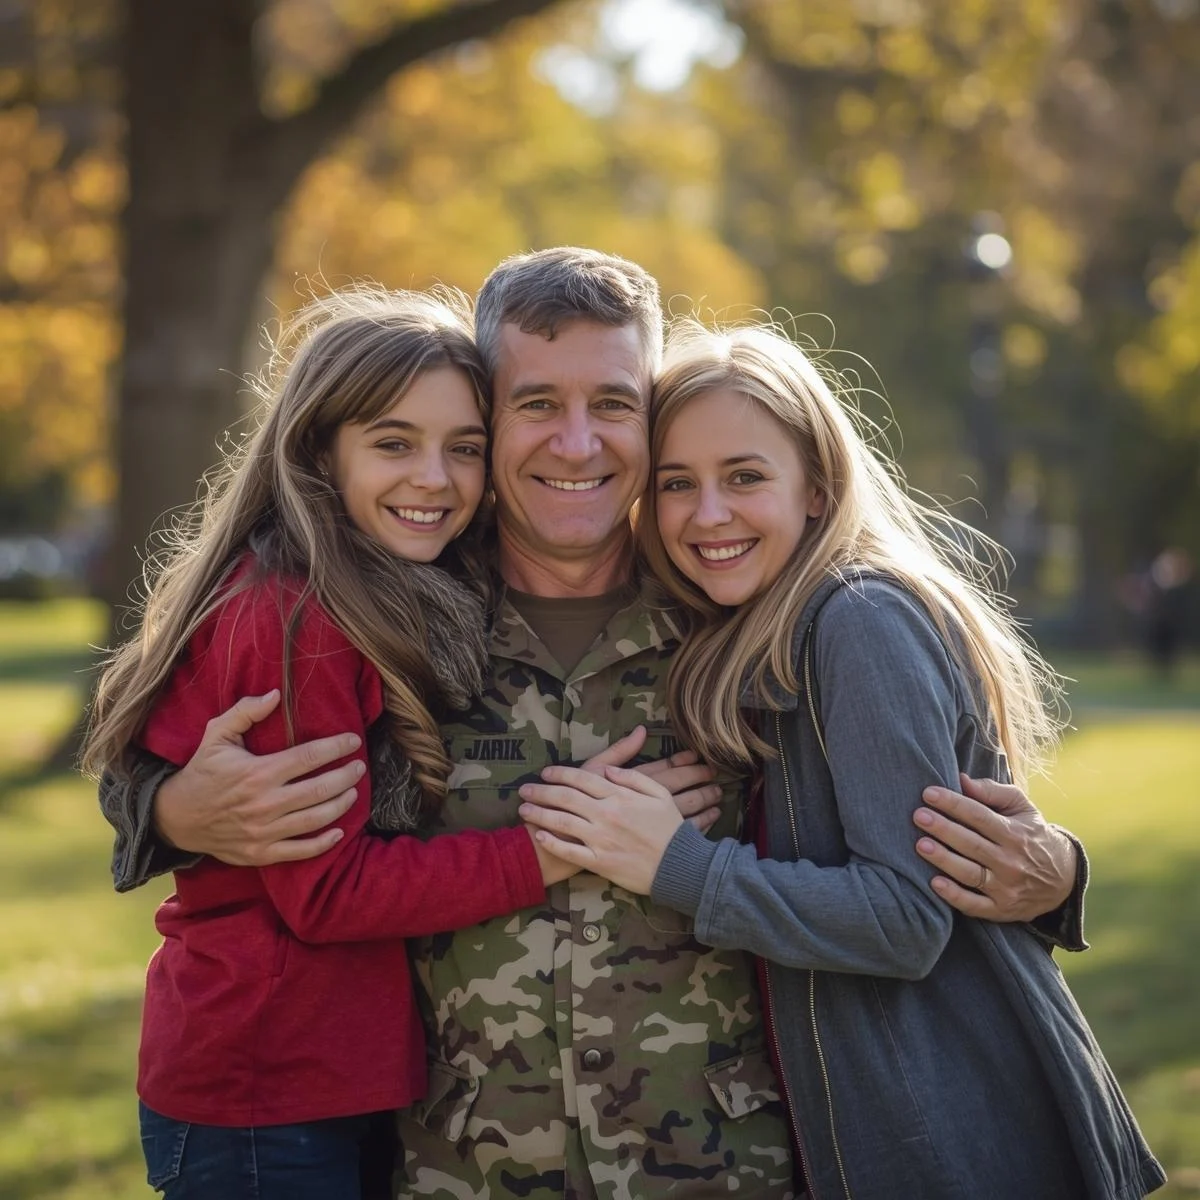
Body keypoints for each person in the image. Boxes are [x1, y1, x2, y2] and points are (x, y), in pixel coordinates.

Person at [100, 249, 1086, 1199]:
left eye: (614, 405)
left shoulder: (745, 616)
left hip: (724, 1172)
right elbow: (172, 741)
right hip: (459, 1173)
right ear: (487, 412)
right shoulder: (390, 611)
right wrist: (171, 806)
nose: (578, 444)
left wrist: (1057, 876)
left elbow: (925, 845)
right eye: (537, 406)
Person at [518, 320, 1166, 1199]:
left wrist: (674, 864)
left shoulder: (860, 618)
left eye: (744, 476)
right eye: (678, 484)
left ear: (817, 487)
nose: (708, 514)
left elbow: (904, 919)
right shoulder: (754, 627)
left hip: (959, 1130)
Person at [82, 287, 595, 1199]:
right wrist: (552, 851)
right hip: (264, 1088)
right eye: (393, 443)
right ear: (320, 451)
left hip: (330, 1074)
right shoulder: (294, 619)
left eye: (463, 449)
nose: (435, 478)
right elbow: (327, 891)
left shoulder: (391, 586)